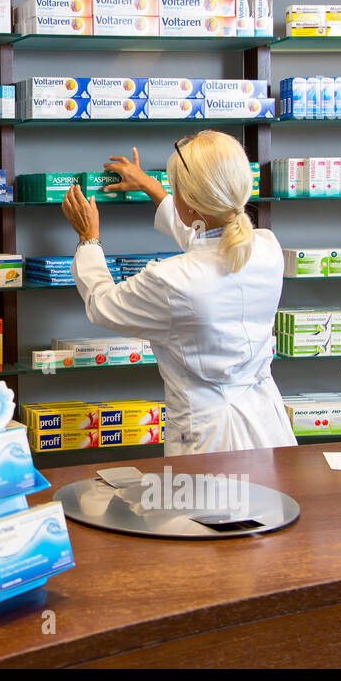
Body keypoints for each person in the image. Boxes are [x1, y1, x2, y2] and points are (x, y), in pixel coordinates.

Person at [60, 130, 296, 456]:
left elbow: (102, 304)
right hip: (267, 426)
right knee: (271, 504)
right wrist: (153, 188)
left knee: (203, 506)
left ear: (190, 201)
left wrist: (88, 238)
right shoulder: (267, 248)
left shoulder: (171, 281)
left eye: (176, 188)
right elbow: (207, 245)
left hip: (209, 438)